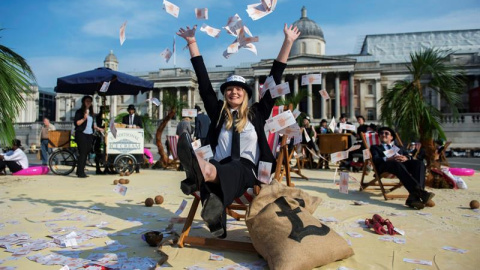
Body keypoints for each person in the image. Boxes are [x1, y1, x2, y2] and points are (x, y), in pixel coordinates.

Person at [175, 23, 300, 238]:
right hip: (219, 166)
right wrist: (192, 43)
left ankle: (197, 175)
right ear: (225, 94)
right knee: (216, 166)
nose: (234, 92)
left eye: (238, 89)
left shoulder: (258, 113)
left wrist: (288, 41)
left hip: (248, 172)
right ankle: (215, 216)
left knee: (224, 168)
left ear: (246, 94)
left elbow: (274, 78)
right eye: (230, 89)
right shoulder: (218, 114)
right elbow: (204, 85)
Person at [370, 127, 434, 210]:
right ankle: (421, 193)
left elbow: (408, 155)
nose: (383, 135)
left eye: (386, 133)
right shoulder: (375, 147)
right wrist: (389, 158)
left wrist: (406, 158)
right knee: (396, 163)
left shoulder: (399, 147)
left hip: (402, 165)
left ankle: (414, 197)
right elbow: (375, 159)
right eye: (381, 133)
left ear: (391, 137)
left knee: (419, 164)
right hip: (386, 166)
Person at [74, 96, 102, 178]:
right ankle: (81, 172)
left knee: (86, 152)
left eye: (90, 101)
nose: (88, 103)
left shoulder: (91, 113)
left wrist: (99, 128)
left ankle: (79, 170)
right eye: (87, 101)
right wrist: (84, 118)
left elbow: (92, 125)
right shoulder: (79, 112)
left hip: (89, 134)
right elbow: (77, 123)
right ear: (83, 102)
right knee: (82, 153)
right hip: (81, 133)